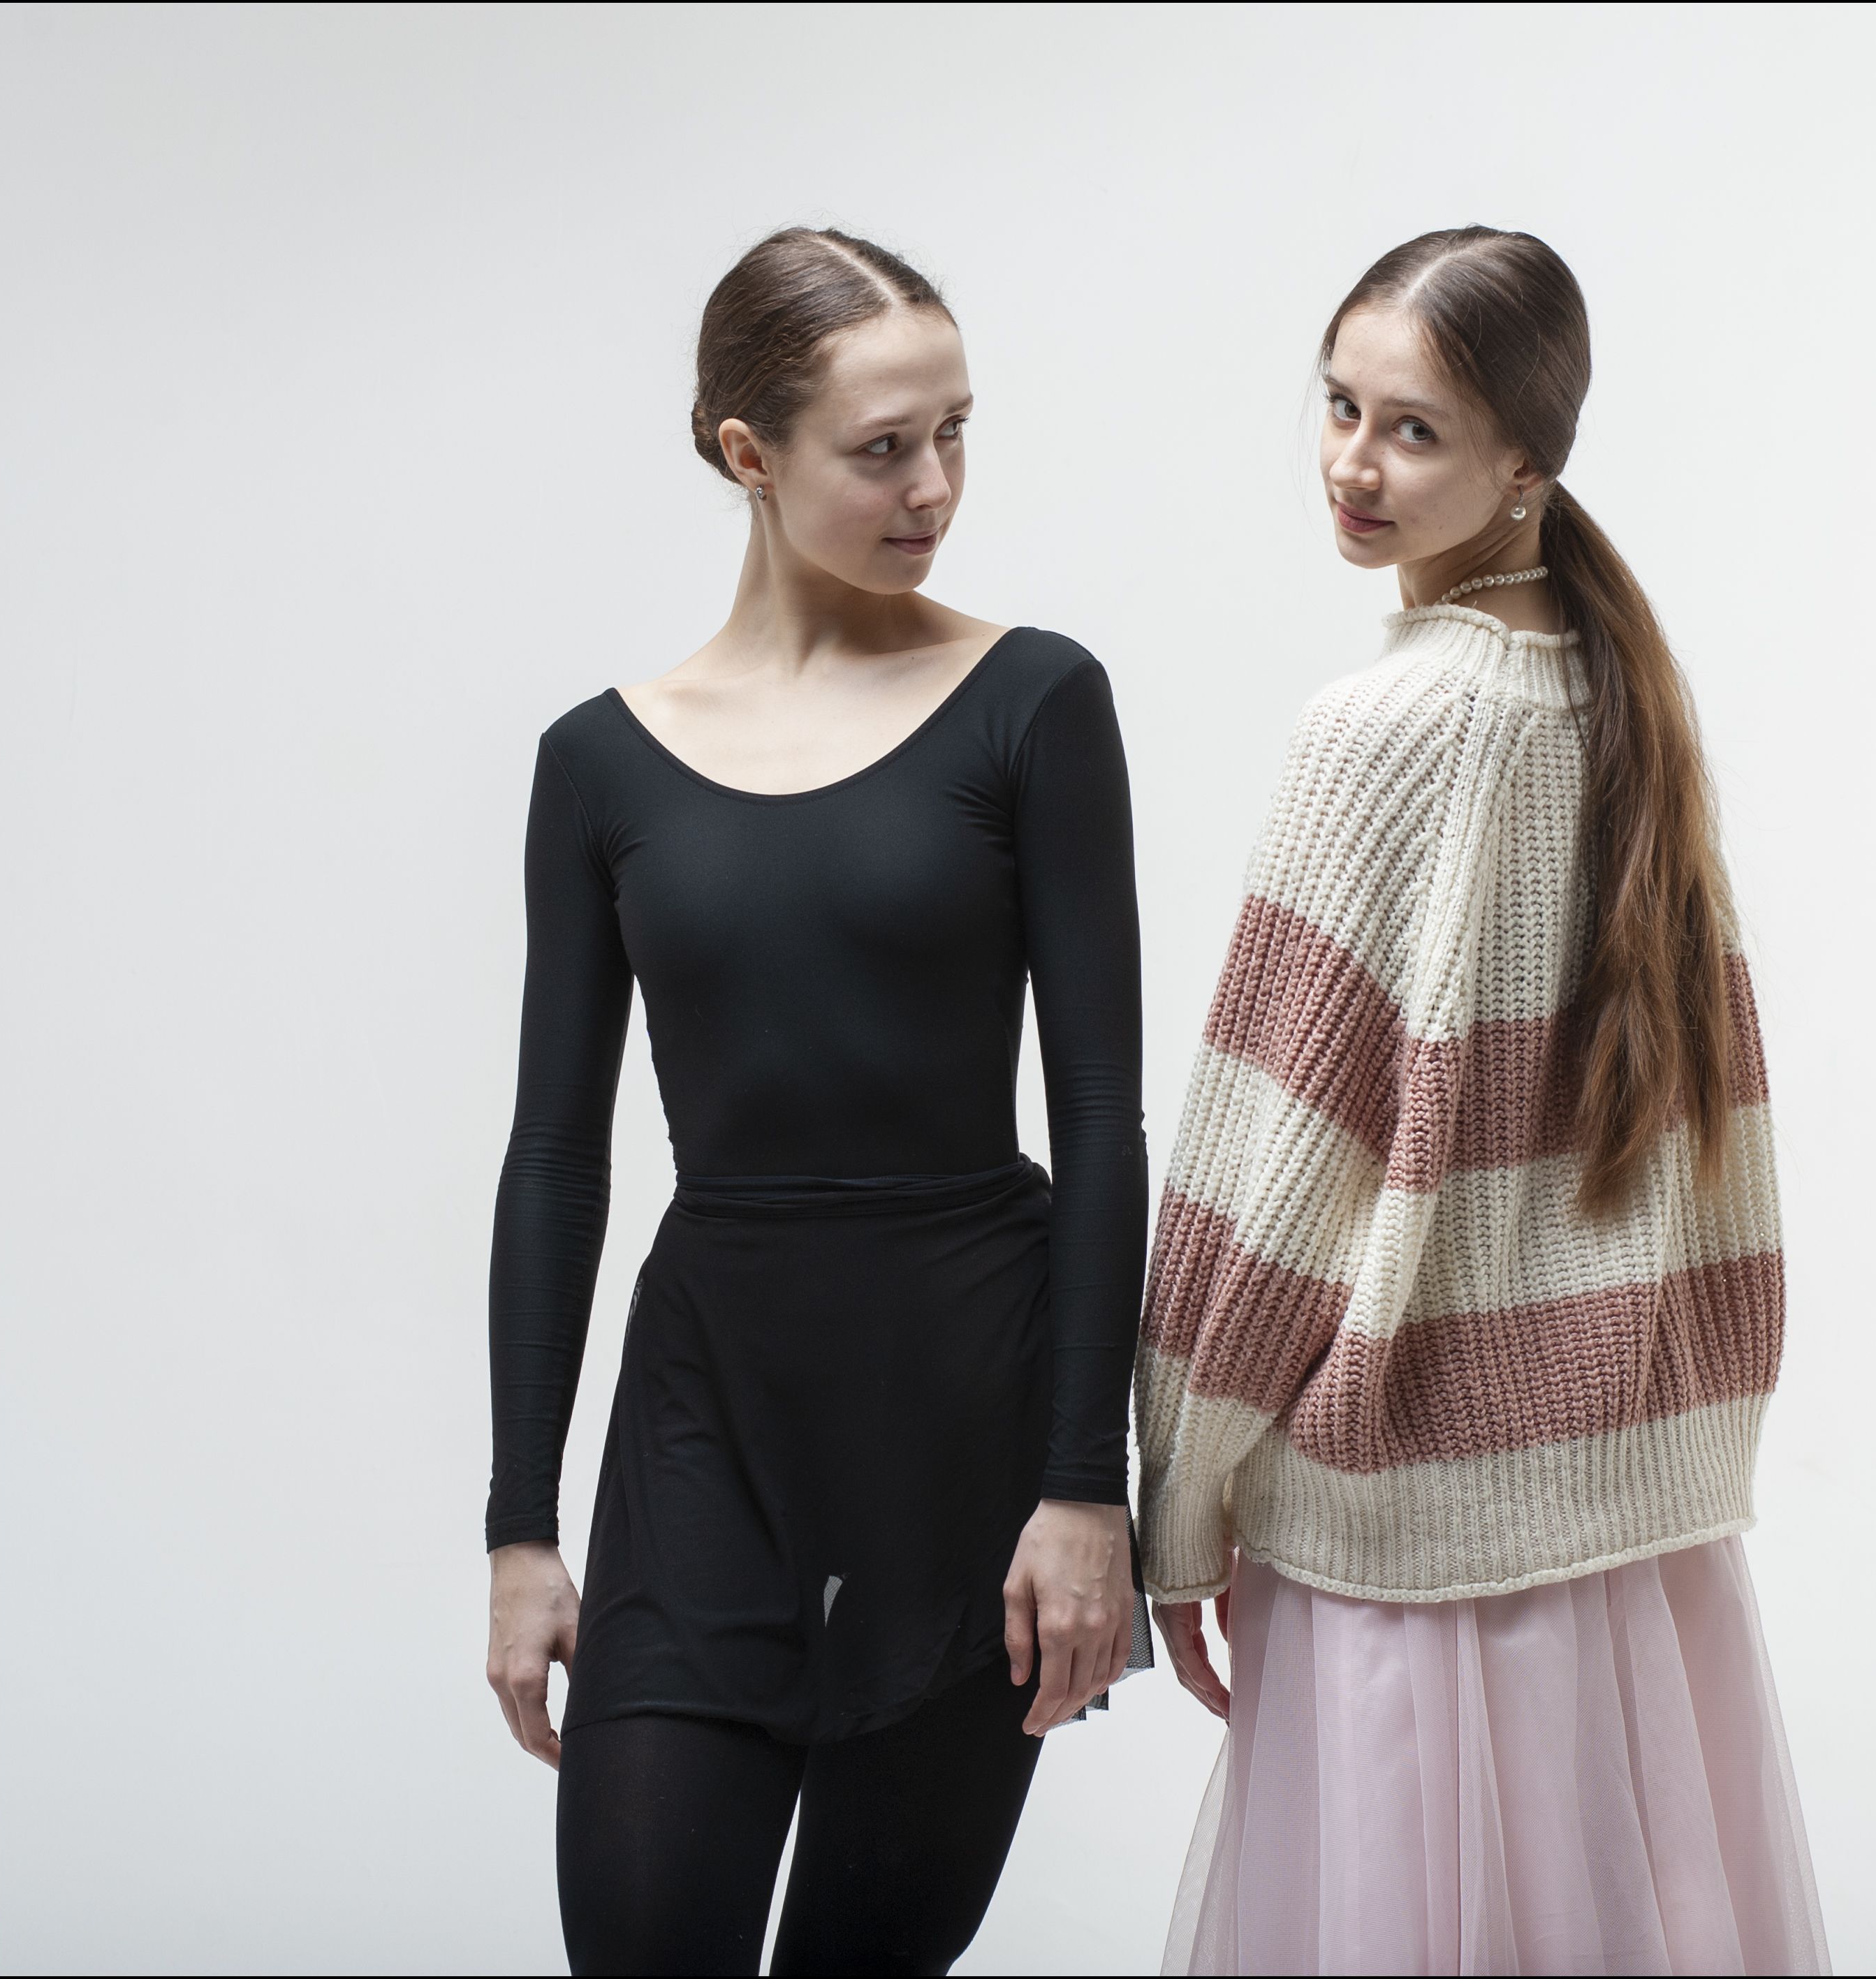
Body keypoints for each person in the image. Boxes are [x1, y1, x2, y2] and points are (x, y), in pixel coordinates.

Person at [1138, 227, 1830, 1976]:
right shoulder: (1627, 701)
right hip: (1635, 1538)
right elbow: (1726, 1130)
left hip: (1415, 1530)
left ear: (1527, 462)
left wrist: (1177, 1490)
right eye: (1339, 406)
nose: (1353, 464)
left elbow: (1268, 1161)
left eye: (1413, 430)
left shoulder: (1381, 730)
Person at [481, 226, 1149, 1977]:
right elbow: (554, 1154)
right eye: (883, 448)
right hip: (711, 1413)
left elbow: (1101, 1118)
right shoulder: (598, 763)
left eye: (956, 432)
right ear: (748, 454)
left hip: (969, 1417)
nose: (935, 487)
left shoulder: (1033, 702)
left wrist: (1087, 1489)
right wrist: (519, 1526)